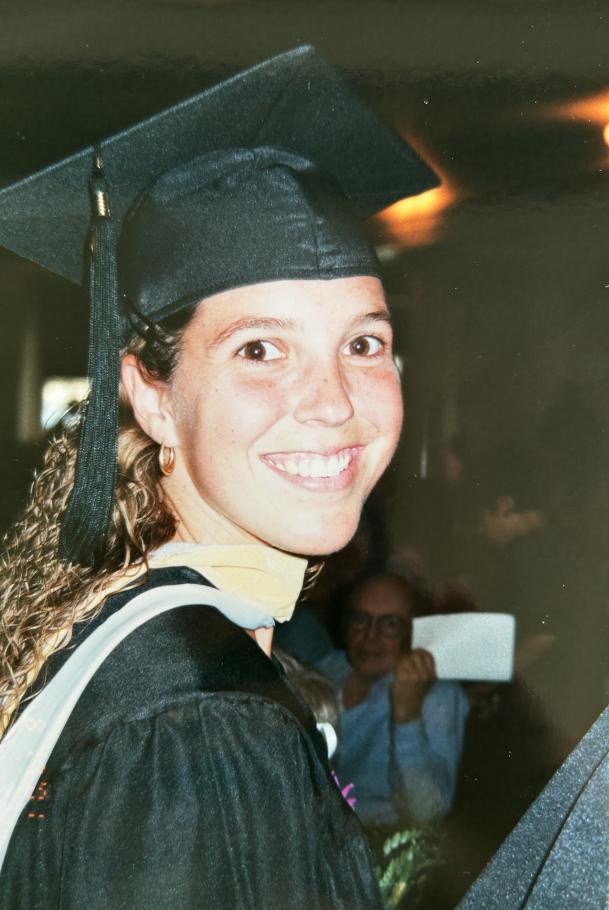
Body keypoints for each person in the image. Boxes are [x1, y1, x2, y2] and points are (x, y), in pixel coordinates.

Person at [0, 46, 439, 907]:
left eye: (363, 343)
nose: (333, 402)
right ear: (152, 396)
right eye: (260, 349)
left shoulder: (124, 624)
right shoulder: (200, 720)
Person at [318, 572, 469, 827]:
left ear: (414, 633)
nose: (370, 636)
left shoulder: (438, 695)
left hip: (376, 846)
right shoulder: (327, 670)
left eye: (389, 625)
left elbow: (426, 813)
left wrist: (407, 716)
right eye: (360, 619)